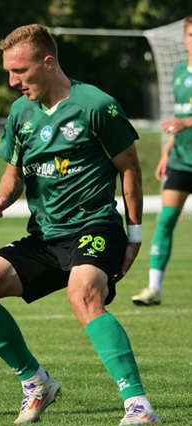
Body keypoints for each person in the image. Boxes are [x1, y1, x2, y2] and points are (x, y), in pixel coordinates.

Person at [0, 24, 161, 426]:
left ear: (48, 63)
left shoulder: (97, 106)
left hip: (95, 228)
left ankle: (138, 405)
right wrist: (0, 199)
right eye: (8, 73)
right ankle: (36, 383)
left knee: (83, 293)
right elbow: (14, 173)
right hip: (45, 237)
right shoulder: (21, 113)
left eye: (20, 71)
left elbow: (130, 169)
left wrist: (134, 235)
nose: (13, 82)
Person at [131, 15, 192, 307]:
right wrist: (166, 153)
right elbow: (177, 119)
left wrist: (187, 122)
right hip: (180, 161)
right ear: (184, 38)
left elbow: (183, 120)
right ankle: (153, 289)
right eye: (191, 35)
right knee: (165, 220)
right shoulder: (179, 72)